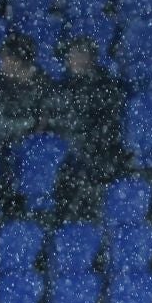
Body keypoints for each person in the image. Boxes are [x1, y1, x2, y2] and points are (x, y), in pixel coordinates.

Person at [43, 37, 128, 220]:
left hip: (99, 156)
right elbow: (53, 121)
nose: (76, 60)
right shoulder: (61, 89)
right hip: (72, 159)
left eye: (81, 55)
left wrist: (85, 143)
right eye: (73, 55)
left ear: (92, 59)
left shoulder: (106, 87)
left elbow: (108, 126)